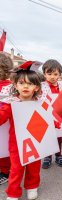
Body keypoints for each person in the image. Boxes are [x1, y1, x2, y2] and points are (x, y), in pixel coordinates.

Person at [0, 63, 41, 200]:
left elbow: (50, 118)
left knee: (34, 167)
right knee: (16, 169)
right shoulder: (10, 103)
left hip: (36, 141)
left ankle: (32, 186)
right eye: (22, 83)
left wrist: (59, 124)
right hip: (16, 144)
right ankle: (13, 192)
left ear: (36, 87)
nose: (25, 86)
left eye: (29, 84)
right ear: (15, 85)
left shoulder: (40, 103)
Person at [41, 59, 62, 169]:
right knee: (47, 136)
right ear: (44, 74)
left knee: (58, 136)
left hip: (59, 115)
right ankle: (47, 156)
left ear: (60, 74)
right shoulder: (41, 86)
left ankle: (58, 154)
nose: (52, 76)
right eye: (49, 73)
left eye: (55, 74)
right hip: (46, 115)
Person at [0, 53, 13, 185]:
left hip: (5, 123)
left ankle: (5, 171)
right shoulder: (12, 85)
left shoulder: (8, 87)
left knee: (4, 148)